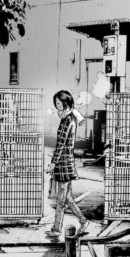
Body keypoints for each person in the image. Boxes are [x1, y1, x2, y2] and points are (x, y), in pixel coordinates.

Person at [47, 90, 91, 239]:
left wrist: (53, 163)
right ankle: (83, 221)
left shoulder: (67, 120)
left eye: (59, 103)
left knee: (61, 199)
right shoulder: (69, 118)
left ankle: (56, 229)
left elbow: (60, 144)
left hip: (64, 163)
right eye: (56, 104)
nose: (57, 106)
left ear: (66, 103)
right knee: (67, 198)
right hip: (65, 163)